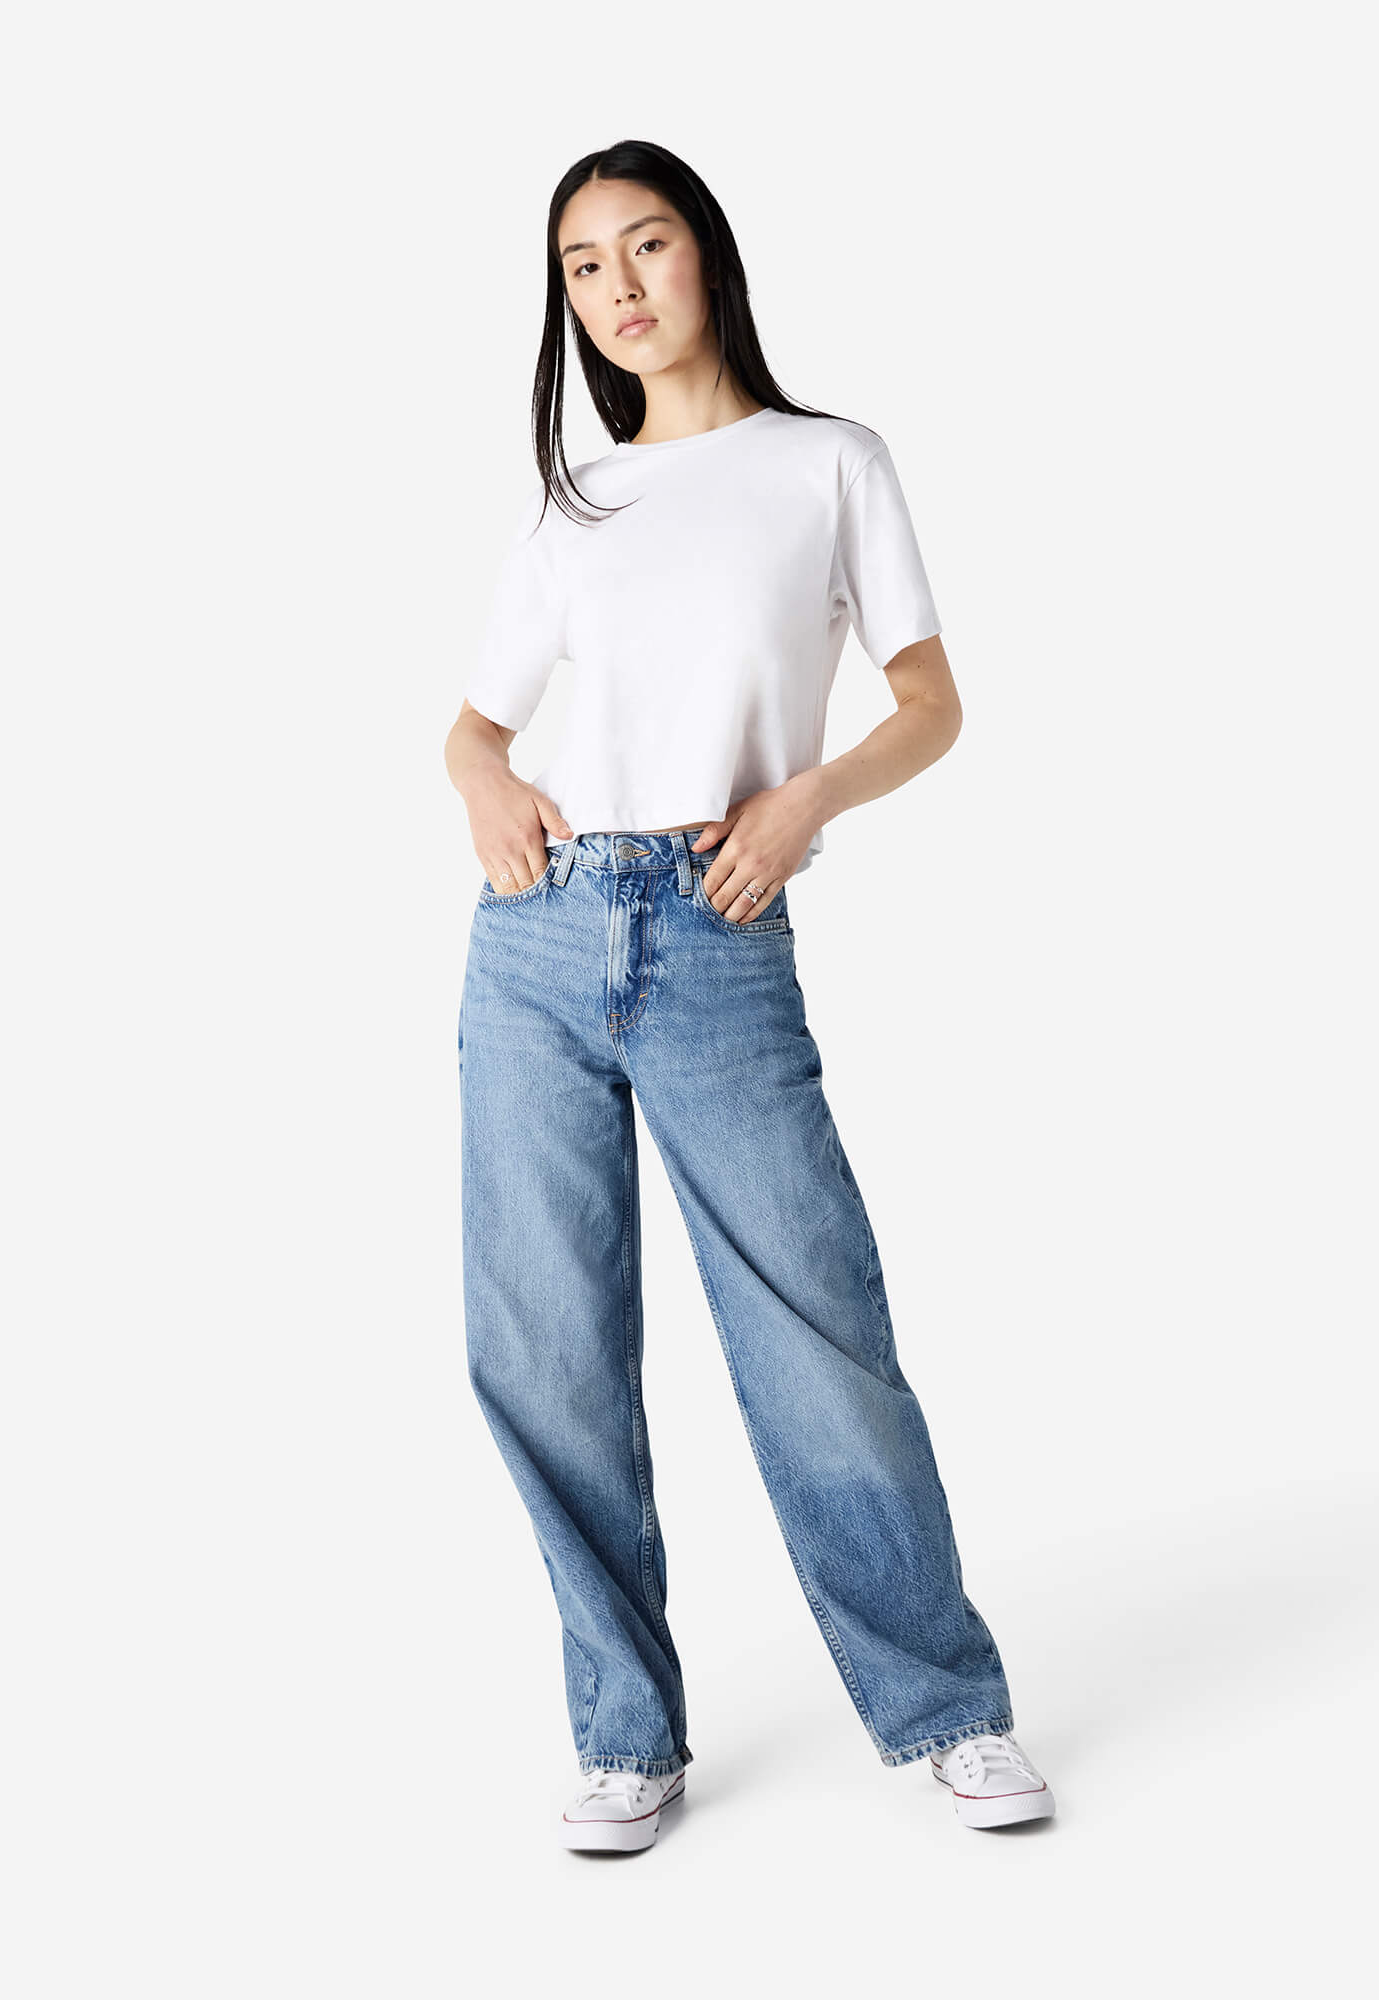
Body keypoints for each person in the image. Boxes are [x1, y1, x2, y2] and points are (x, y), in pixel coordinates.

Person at [444, 139, 1055, 1852]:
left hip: (721, 929)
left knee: (816, 1333)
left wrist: (810, 804)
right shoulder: (574, 498)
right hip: (541, 942)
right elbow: (475, 725)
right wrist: (480, 782)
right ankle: (626, 1734)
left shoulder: (827, 464)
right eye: (583, 268)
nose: (620, 288)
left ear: (707, 257)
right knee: (545, 1351)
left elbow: (930, 701)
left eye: (647, 247)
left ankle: (945, 1708)